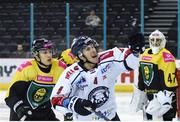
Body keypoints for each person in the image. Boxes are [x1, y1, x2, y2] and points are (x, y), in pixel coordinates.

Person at [50, 34, 145, 121]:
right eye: (87, 49)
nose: (93, 50)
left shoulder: (108, 59)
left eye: (92, 47)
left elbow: (129, 61)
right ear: (80, 55)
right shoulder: (71, 73)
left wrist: (135, 52)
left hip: (111, 117)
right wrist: (73, 104)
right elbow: (55, 99)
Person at [4, 38, 67, 121]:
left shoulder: (60, 67)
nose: (49, 55)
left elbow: (68, 88)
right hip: (24, 112)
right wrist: (19, 108)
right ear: (36, 54)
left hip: (44, 111)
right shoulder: (27, 68)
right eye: (44, 52)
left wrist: (68, 109)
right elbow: (10, 95)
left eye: (50, 51)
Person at [131, 30, 178, 121]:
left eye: (158, 40)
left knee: (165, 119)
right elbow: (141, 77)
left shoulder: (166, 55)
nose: (155, 42)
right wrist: (141, 92)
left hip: (164, 98)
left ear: (163, 41)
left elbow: (170, 82)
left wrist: (167, 98)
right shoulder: (144, 54)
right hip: (150, 97)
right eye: (153, 40)